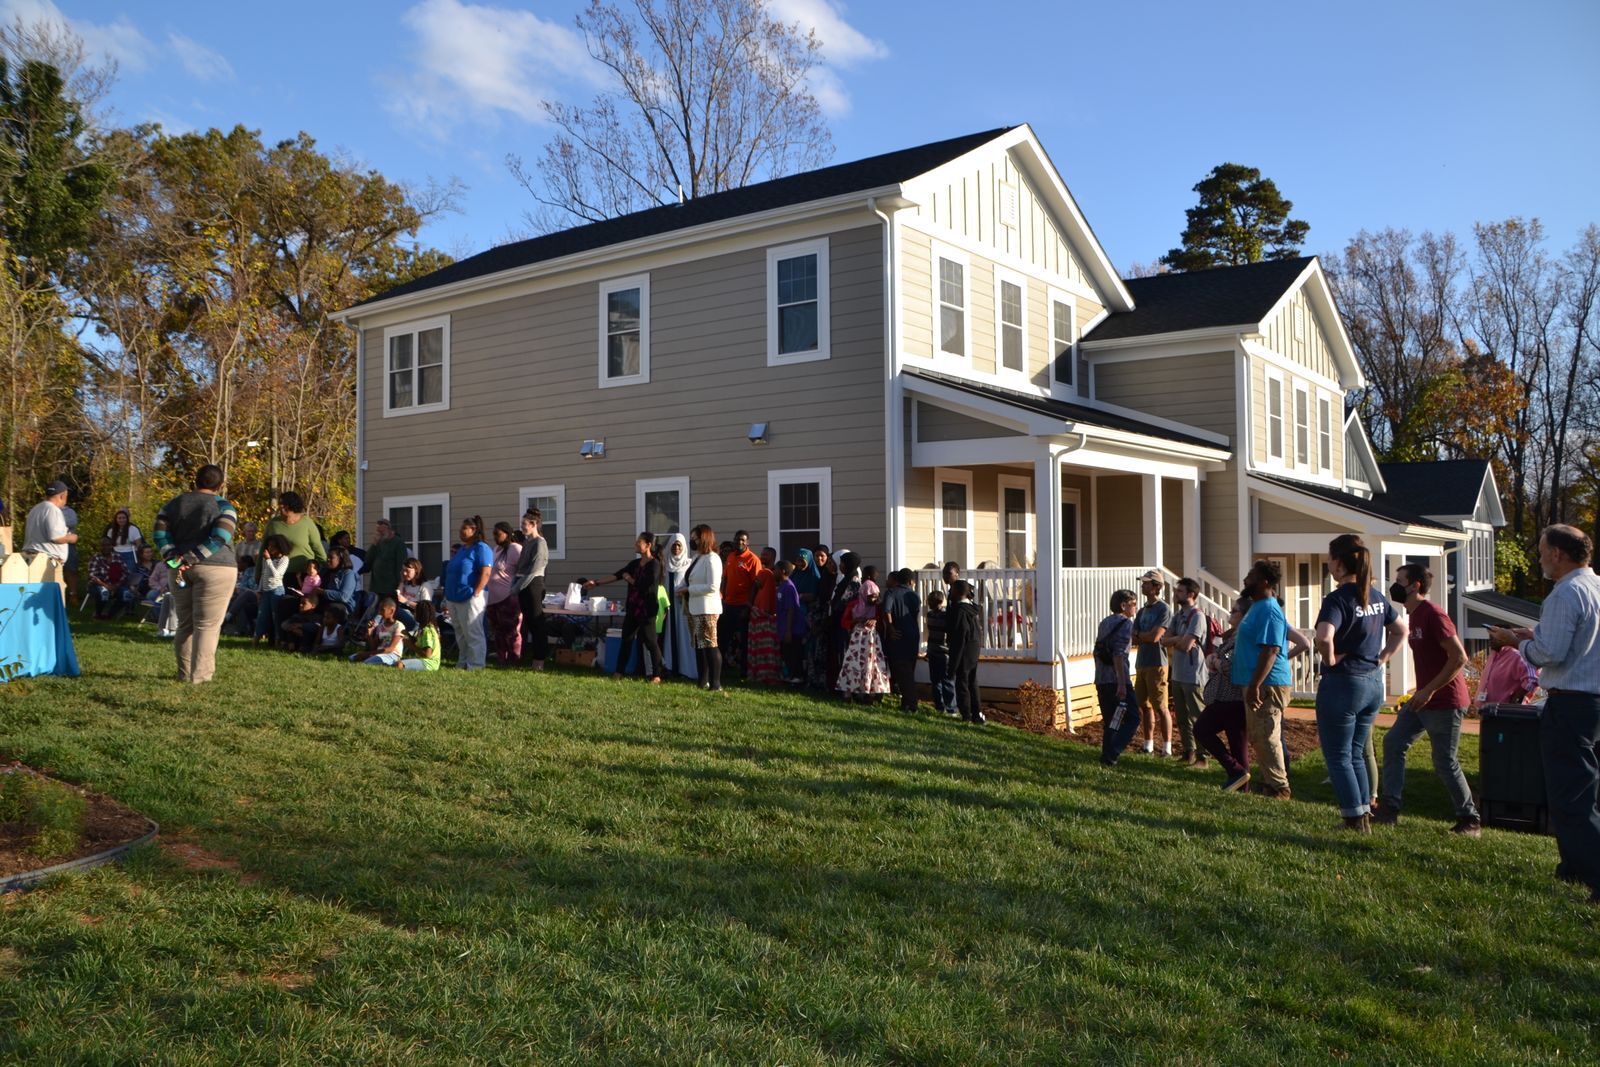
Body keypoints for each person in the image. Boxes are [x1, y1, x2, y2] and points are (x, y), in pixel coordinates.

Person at [1488, 524, 1600, 904]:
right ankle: (1573, 867)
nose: (1538, 558)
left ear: (1558, 554)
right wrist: (1531, 632)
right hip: (1593, 702)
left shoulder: (1564, 593)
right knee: (1586, 789)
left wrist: (1516, 642)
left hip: (1571, 701)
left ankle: (1594, 877)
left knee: (1570, 795)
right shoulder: (1594, 587)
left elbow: (1550, 653)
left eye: (1541, 551)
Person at [1373, 563, 1480, 835]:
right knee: (1394, 742)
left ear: (1415, 585)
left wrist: (1429, 690)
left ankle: (1470, 820)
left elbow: (1459, 657)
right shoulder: (1413, 615)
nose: (1394, 585)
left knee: (1445, 761)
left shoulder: (1433, 614)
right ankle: (1389, 810)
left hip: (1446, 701)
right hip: (1423, 699)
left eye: (1399, 580)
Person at [1313, 534, 1406, 832]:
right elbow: (1400, 630)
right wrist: (1382, 658)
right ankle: (1364, 813)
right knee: (1355, 752)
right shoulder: (1376, 597)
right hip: (1372, 683)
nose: (1328, 564)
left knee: (1339, 755)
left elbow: (1324, 636)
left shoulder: (1338, 598)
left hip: (1343, 684)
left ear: (1338, 563)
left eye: (1329, 559)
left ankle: (1353, 820)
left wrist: (1329, 661)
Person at [152, 464, 239, 684]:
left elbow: (159, 535)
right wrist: (193, 558)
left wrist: (175, 560)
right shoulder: (224, 506)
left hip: (179, 570)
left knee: (185, 624)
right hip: (217, 568)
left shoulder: (171, 505)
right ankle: (200, 678)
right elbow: (220, 537)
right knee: (207, 625)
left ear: (195, 481)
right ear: (220, 485)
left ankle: (184, 674)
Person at [1235, 560, 1294, 799]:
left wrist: (1256, 685)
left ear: (1265, 582)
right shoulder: (1256, 607)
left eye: (1251, 576)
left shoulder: (1269, 609)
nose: (1246, 580)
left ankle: (1281, 788)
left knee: (1267, 734)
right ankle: (1269, 784)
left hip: (1268, 683)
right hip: (1255, 682)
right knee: (1259, 735)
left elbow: (1270, 650)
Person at [590, 531, 663, 683]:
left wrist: (629, 579)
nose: (635, 545)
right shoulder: (634, 564)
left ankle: (657, 674)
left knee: (650, 642)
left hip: (646, 609)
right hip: (633, 607)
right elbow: (617, 575)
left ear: (648, 545)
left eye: (639, 542)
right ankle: (619, 672)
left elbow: (645, 586)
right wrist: (596, 583)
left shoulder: (655, 565)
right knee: (626, 640)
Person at [1162, 577, 1210, 767]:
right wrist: (1178, 639)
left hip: (1193, 675)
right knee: (1181, 717)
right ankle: (1188, 751)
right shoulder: (1178, 615)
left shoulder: (1197, 616)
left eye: (1180, 591)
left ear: (1191, 594)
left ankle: (1203, 756)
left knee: (1197, 716)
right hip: (1178, 674)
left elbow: (1186, 645)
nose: (1176, 594)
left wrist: (1177, 640)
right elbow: (1164, 641)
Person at [1094, 589, 1139, 766]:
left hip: (1101, 678)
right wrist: (1122, 683)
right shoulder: (1126, 624)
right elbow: (1118, 655)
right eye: (1133, 604)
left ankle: (1107, 756)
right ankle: (1113, 751)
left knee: (1112, 719)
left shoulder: (1104, 622)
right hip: (1117, 679)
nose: (1135, 607)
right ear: (1123, 605)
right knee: (1133, 718)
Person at [1131, 569, 1173, 756]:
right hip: (1142, 662)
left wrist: (1143, 635)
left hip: (1158, 663)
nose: (1143, 585)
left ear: (1156, 587)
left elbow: (1156, 636)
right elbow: (1134, 638)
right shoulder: (1141, 611)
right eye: (1143, 582)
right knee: (1144, 705)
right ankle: (1147, 745)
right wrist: (1142, 636)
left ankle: (1167, 748)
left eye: (1147, 583)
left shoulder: (1164, 609)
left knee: (1161, 706)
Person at [442, 517, 492, 669]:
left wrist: (476, 593)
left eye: (464, 528)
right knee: (460, 632)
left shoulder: (481, 548)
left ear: (474, 530)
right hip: (454, 597)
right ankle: (463, 661)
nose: (460, 531)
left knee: (473, 632)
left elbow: (486, 573)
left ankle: (476, 665)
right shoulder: (463, 549)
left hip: (470, 597)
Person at [836, 571, 891, 702]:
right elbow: (844, 622)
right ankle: (849, 692)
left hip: (871, 640)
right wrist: (856, 621)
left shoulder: (876, 607)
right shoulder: (854, 605)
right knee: (853, 664)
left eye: (876, 596)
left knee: (871, 665)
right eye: (871, 596)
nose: (874, 599)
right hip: (857, 640)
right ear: (864, 594)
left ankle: (870, 693)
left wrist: (876, 620)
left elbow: (881, 619)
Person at [682, 524, 724, 691]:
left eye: (695, 538)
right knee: (700, 646)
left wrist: (689, 590)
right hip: (694, 608)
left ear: (704, 538)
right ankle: (702, 681)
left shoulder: (712, 558)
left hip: (707, 609)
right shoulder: (697, 558)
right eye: (691, 538)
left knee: (710, 645)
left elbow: (713, 587)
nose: (692, 541)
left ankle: (715, 684)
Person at [509, 510, 549, 671]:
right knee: (529, 623)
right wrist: (515, 583)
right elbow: (520, 567)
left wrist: (517, 587)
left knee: (537, 623)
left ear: (534, 525)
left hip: (533, 584)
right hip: (523, 584)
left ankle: (539, 660)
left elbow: (534, 570)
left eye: (524, 525)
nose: (522, 528)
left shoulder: (540, 543)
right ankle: (530, 656)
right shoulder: (527, 543)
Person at [258, 491, 326, 585]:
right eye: (280, 504)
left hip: (303, 576)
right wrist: (258, 575)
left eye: (284, 504)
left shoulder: (307, 523)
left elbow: (317, 547)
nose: (281, 507)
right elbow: (263, 550)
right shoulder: (273, 524)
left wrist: (327, 569)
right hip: (276, 575)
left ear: (292, 505)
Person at [721, 530, 762, 680]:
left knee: (744, 641)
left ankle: (744, 672)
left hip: (743, 606)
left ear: (748, 542)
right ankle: (721, 669)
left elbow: (756, 584)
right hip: (728, 604)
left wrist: (748, 605)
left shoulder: (753, 559)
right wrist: (722, 596)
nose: (740, 542)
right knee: (723, 638)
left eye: (743, 540)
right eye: (738, 539)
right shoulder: (730, 556)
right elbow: (725, 578)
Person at [881, 568, 923, 712]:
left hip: (898, 634)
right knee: (909, 668)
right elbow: (915, 613)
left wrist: (891, 628)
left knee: (902, 670)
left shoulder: (891, 593)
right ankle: (906, 702)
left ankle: (911, 704)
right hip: (913, 634)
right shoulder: (914, 595)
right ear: (911, 581)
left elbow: (886, 611)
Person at [22, 482, 78, 584]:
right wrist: (71, 538)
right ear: (62, 496)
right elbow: (56, 538)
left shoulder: (35, 509)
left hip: (32, 558)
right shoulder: (53, 510)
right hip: (47, 563)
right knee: (52, 596)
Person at [659, 532, 697, 681]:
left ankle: (687, 669)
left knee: (685, 638)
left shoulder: (689, 564)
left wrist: (685, 593)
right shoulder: (665, 565)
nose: (676, 548)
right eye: (674, 545)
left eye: (679, 545)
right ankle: (670, 667)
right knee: (670, 637)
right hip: (669, 608)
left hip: (684, 608)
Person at [947, 579, 986, 725]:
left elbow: (959, 636)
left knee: (962, 681)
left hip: (964, 648)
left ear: (957, 593)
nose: (950, 593)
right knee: (972, 681)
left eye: (952, 590)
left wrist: (953, 664)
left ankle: (966, 714)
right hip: (974, 647)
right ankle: (977, 713)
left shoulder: (959, 611)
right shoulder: (971, 609)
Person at [485, 521, 522, 666]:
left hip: (508, 597)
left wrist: (516, 589)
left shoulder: (515, 548)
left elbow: (523, 570)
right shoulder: (496, 549)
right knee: (498, 631)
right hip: (492, 599)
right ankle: (502, 658)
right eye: (494, 534)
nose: (495, 537)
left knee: (511, 631)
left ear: (507, 534)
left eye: (498, 534)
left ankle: (514, 659)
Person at [747, 547, 783, 685]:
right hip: (759, 613)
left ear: (773, 556)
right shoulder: (764, 573)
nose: (762, 556)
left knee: (766, 648)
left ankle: (766, 674)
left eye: (765, 555)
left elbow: (756, 586)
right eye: (761, 554)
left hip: (767, 616)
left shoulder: (768, 573)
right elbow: (755, 587)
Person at [828, 552, 863, 691]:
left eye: (843, 563)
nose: (840, 565)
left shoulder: (853, 580)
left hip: (845, 623)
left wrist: (834, 612)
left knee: (843, 654)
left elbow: (844, 601)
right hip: (838, 622)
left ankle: (846, 688)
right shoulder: (844, 579)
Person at [1474, 641, 1539, 708]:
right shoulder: (1494, 654)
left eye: (1495, 636)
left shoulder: (1517, 655)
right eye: (1490, 635)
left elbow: (1532, 680)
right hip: (1488, 711)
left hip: (1506, 712)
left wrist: (1516, 699)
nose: (1491, 639)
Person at [924, 589, 957, 717]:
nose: (928, 603)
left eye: (930, 601)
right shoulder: (935, 615)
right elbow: (931, 634)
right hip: (937, 651)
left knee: (943, 680)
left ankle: (947, 707)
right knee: (938, 681)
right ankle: (944, 707)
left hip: (941, 652)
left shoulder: (939, 615)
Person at [253, 534, 291, 643]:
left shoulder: (284, 559)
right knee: (262, 616)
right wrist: (259, 590)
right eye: (269, 546)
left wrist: (269, 560)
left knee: (276, 617)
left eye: (273, 546)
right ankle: (256, 639)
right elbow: (264, 574)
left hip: (276, 591)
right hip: (266, 591)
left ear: (280, 547)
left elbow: (277, 575)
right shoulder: (267, 559)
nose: (270, 549)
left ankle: (278, 639)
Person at [774, 560, 807, 685]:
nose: (774, 572)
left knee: (794, 653)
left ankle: (798, 677)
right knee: (786, 653)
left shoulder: (789, 587)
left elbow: (791, 610)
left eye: (776, 569)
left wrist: (788, 631)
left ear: (783, 571)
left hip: (793, 629)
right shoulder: (781, 586)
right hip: (783, 627)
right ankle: (790, 675)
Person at [362, 517, 408, 602]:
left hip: (390, 587)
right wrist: (374, 544)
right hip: (376, 586)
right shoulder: (378, 543)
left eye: (381, 531)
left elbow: (401, 565)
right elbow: (367, 560)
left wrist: (400, 584)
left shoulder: (398, 543)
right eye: (378, 531)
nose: (380, 533)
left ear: (388, 529)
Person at [87, 537, 133, 619]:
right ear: (99, 547)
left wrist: (117, 585)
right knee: (104, 593)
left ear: (112, 546)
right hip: (98, 585)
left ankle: (110, 615)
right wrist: (106, 586)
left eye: (108, 545)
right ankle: (98, 614)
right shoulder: (96, 558)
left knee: (126, 594)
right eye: (103, 545)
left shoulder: (117, 557)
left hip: (117, 585)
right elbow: (92, 576)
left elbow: (126, 573)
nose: (105, 547)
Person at [357, 597, 408, 666]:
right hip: (379, 653)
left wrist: (368, 654)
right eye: (379, 610)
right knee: (353, 657)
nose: (379, 612)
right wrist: (369, 632)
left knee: (367, 662)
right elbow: (373, 647)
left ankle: (391, 663)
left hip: (392, 655)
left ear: (392, 611)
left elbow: (390, 649)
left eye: (382, 610)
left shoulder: (399, 626)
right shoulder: (380, 626)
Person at [279, 588, 325, 652]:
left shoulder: (316, 617)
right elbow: (283, 624)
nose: (300, 605)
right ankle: (291, 646)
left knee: (308, 632)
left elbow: (317, 627)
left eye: (304, 603)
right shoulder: (297, 616)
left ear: (313, 606)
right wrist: (293, 628)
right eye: (300, 603)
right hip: (296, 636)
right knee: (290, 630)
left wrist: (301, 625)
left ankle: (303, 648)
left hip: (307, 639)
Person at [401, 600, 442, 671]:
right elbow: (420, 644)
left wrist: (410, 645)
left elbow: (427, 654)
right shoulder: (424, 628)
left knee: (400, 664)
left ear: (422, 614)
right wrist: (409, 636)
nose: (414, 613)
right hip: (425, 662)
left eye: (416, 611)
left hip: (429, 664)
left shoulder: (427, 631)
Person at [319, 547, 359, 615]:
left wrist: (323, 592)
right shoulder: (326, 572)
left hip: (344, 607)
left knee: (330, 608)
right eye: (327, 557)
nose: (328, 560)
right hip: (327, 602)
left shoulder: (348, 574)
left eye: (331, 557)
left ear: (340, 559)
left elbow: (344, 597)